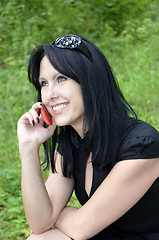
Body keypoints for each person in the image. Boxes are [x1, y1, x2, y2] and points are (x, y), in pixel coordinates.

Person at [17, 34, 159, 240]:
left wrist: (57, 215)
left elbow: (81, 228)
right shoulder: (71, 143)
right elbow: (39, 223)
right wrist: (28, 148)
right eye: (44, 83)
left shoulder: (141, 145)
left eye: (61, 78)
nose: (49, 95)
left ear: (90, 80)